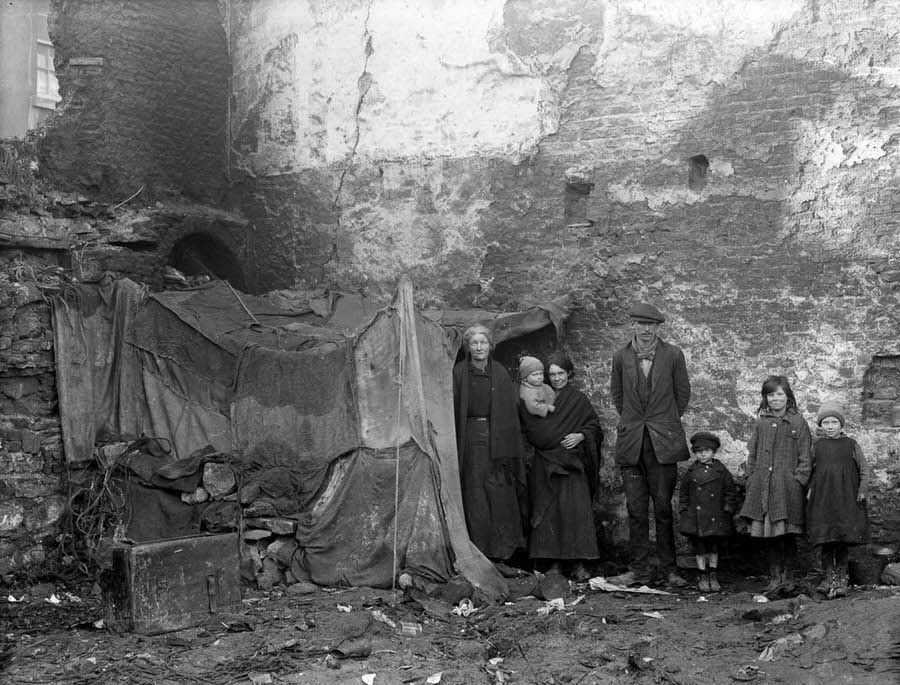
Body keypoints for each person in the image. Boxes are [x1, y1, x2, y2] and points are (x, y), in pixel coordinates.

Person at [609, 303, 691, 588]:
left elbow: (682, 395)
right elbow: (618, 397)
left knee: (663, 508)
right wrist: (636, 423)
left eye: (651, 325)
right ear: (632, 325)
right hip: (632, 442)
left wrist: (662, 423)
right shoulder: (621, 357)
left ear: (658, 328)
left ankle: (669, 569)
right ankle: (639, 570)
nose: (645, 330)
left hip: (663, 443)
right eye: (640, 324)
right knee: (635, 508)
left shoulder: (673, 355)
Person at [518, 352, 602, 580]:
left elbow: (594, 426)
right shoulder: (537, 395)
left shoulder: (578, 400)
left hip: (571, 464)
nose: (556, 379)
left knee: (575, 512)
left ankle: (577, 563)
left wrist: (581, 436)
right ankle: (553, 563)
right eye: (552, 374)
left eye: (561, 374)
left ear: (569, 374)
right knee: (549, 514)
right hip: (545, 463)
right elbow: (531, 426)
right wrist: (545, 440)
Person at [452, 324, 527, 561]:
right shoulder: (459, 373)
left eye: (483, 342)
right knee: (475, 495)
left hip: (498, 441)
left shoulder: (501, 373)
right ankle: (478, 550)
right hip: (471, 439)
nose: (479, 347)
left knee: (499, 493)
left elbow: (510, 413)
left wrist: (503, 443)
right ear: (468, 347)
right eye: (474, 343)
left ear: (490, 345)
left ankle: (501, 552)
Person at [738, 375, 812, 591]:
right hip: (764, 487)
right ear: (765, 398)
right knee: (769, 536)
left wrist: (798, 481)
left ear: (788, 397)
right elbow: (752, 453)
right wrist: (751, 477)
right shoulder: (762, 422)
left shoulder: (798, 422)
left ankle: (789, 579)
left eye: (780, 394)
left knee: (787, 535)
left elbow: (805, 457)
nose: (775, 399)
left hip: (787, 488)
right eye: (771, 395)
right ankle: (774, 577)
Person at [807, 401, 871, 598]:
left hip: (845, 496)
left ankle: (842, 579)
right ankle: (827, 578)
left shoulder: (851, 445)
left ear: (841, 424)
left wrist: (862, 490)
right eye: (826, 423)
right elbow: (810, 471)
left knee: (842, 538)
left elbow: (865, 470)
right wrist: (809, 490)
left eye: (834, 422)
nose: (830, 427)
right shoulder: (817, 446)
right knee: (826, 538)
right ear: (821, 425)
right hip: (824, 498)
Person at [678, 431, 739, 592]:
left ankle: (713, 574)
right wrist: (684, 510)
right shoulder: (691, 472)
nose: (703, 454)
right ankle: (702, 575)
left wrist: (727, 510)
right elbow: (684, 493)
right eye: (699, 451)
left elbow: (730, 491)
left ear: (714, 452)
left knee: (713, 548)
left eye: (707, 450)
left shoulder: (721, 471)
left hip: (715, 516)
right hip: (697, 518)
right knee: (699, 548)